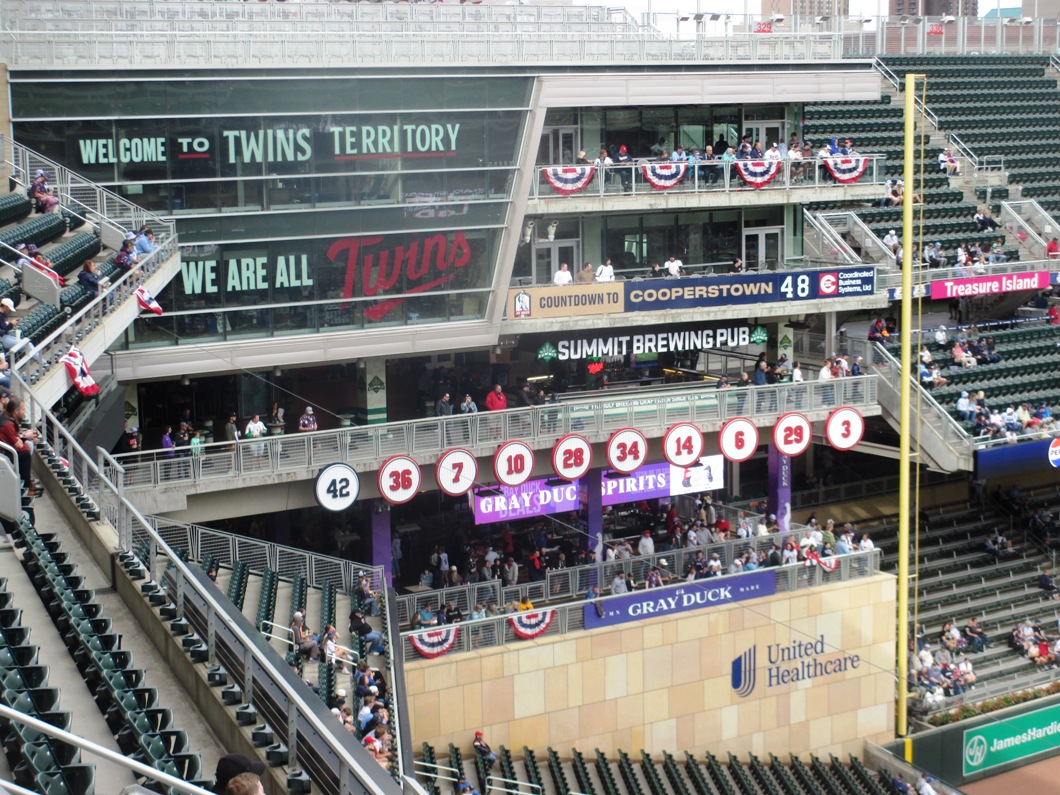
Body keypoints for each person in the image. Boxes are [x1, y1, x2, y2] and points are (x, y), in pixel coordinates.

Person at [0, 397, 39, 496]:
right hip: (4, 453)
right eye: (23, 409)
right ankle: (25, 486)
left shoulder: (7, 417)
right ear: (16, 411)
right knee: (25, 454)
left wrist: (25, 436)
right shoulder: (8, 424)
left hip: (6, 448)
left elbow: (15, 437)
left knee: (28, 445)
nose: (24, 411)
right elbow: (18, 444)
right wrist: (26, 436)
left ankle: (25, 479)